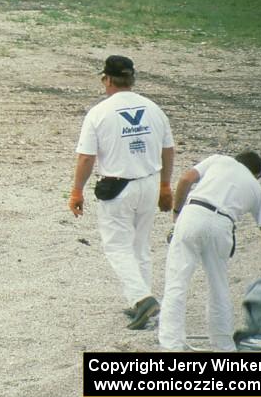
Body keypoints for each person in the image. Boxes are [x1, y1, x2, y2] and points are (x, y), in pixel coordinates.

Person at [68, 55, 175, 330]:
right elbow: (168, 149)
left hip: (119, 186)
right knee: (140, 245)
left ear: (107, 79)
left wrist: (77, 191)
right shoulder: (153, 109)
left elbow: (86, 158)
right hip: (150, 182)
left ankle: (142, 298)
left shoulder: (99, 113)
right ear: (132, 79)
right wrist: (165, 184)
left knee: (116, 245)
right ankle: (139, 301)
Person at [158, 151, 261, 351]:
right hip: (223, 224)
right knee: (219, 286)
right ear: (257, 174)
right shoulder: (256, 188)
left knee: (176, 282)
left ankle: (171, 344)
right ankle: (223, 344)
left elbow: (185, 179)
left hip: (193, 212)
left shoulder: (219, 160)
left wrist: (177, 214)